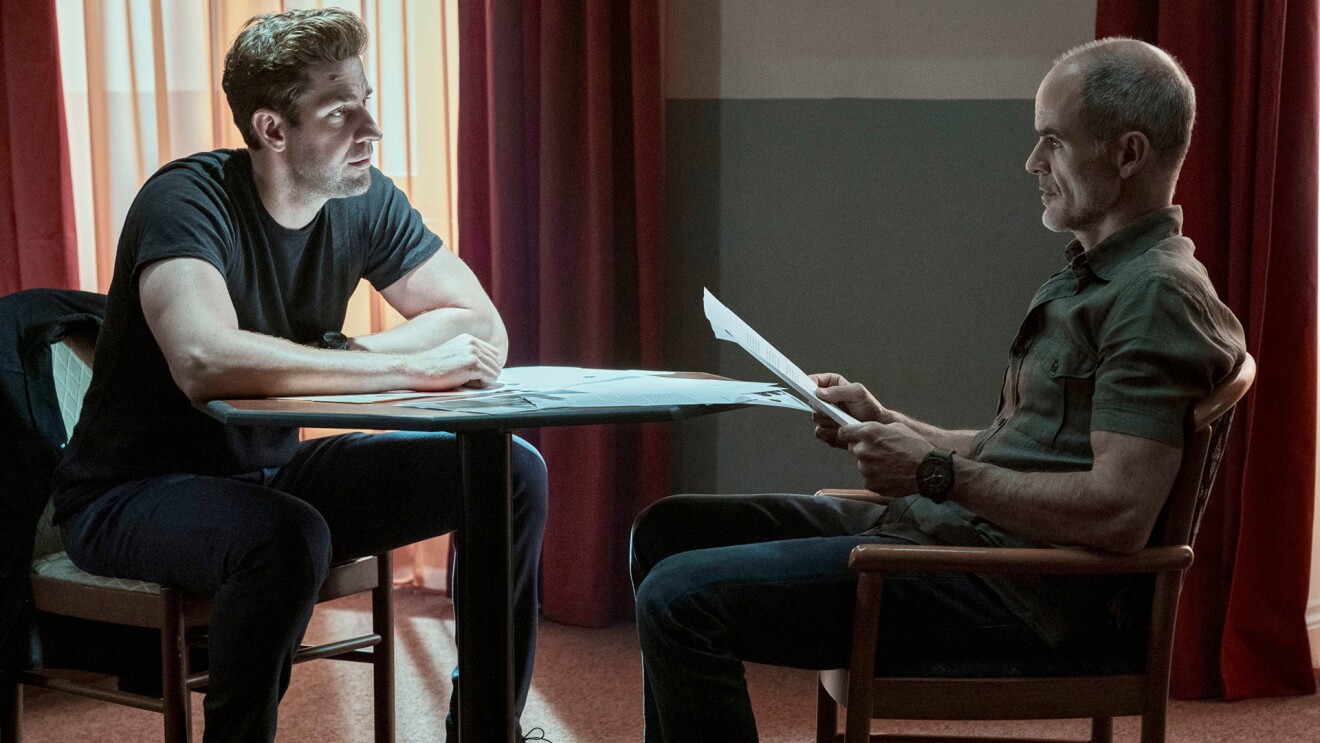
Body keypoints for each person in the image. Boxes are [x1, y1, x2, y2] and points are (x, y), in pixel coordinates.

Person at [630, 37, 1247, 742]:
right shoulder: (1099, 276)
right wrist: (888, 422)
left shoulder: (1154, 297)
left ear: (1128, 154)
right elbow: (1018, 452)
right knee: (665, 532)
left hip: (1009, 592)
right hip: (960, 543)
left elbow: (1118, 513)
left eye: (1052, 141)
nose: (1032, 162)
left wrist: (930, 472)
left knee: (680, 599)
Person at [49, 8, 547, 742]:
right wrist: (407, 365)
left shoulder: (364, 197)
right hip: (131, 493)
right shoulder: (186, 202)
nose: (370, 130)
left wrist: (354, 359)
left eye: (368, 101)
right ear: (273, 130)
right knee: (286, 537)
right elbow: (204, 360)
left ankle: (485, 727)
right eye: (341, 111)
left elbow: (481, 326)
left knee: (509, 472)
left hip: (268, 474)